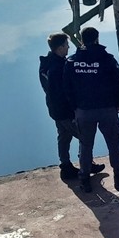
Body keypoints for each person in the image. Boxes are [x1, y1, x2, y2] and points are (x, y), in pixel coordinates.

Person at [65, 27, 119, 192]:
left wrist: (74, 108)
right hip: (107, 108)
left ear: (81, 40)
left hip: (84, 111)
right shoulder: (108, 59)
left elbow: (67, 88)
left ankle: (84, 179)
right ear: (97, 39)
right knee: (113, 143)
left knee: (85, 145)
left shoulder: (72, 62)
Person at [38, 33, 102, 181]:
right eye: (67, 45)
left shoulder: (46, 64)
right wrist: (74, 110)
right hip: (65, 111)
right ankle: (87, 164)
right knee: (84, 137)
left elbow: (49, 89)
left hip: (54, 110)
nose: (68, 47)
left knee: (63, 137)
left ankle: (65, 166)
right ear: (60, 48)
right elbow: (65, 92)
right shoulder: (59, 68)